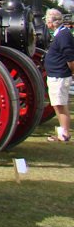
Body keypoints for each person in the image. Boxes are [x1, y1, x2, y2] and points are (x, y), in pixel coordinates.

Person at [43, 8, 74, 142]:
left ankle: (65, 134)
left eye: (47, 20)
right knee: (58, 104)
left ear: (51, 22)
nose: (46, 23)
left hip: (59, 75)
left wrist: (72, 71)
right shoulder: (61, 34)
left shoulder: (63, 35)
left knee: (60, 105)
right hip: (57, 74)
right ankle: (63, 132)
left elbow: (70, 57)